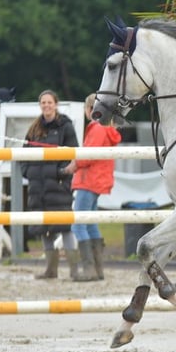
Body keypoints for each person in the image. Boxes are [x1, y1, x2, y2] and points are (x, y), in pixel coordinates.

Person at [20, 89, 80, 279]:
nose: (46, 106)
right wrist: (27, 172)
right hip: (37, 188)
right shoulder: (33, 129)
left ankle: (74, 270)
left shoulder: (66, 126)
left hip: (58, 186)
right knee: (44, 229)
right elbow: (24, 154)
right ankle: (50, 270)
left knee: (65, 227)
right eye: (43, 103)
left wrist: (61, 172)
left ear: (56, 104)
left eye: (49, 102)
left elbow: (73, 154)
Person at [62, 93, 121, 281]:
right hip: (98, 181)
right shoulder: (107, 128)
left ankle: (89, 269)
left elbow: (88, 155)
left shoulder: (96, 128)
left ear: (90, 110)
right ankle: (98, 269)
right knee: (91, 224)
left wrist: (73, 164)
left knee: (78, 224)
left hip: (89, 181)